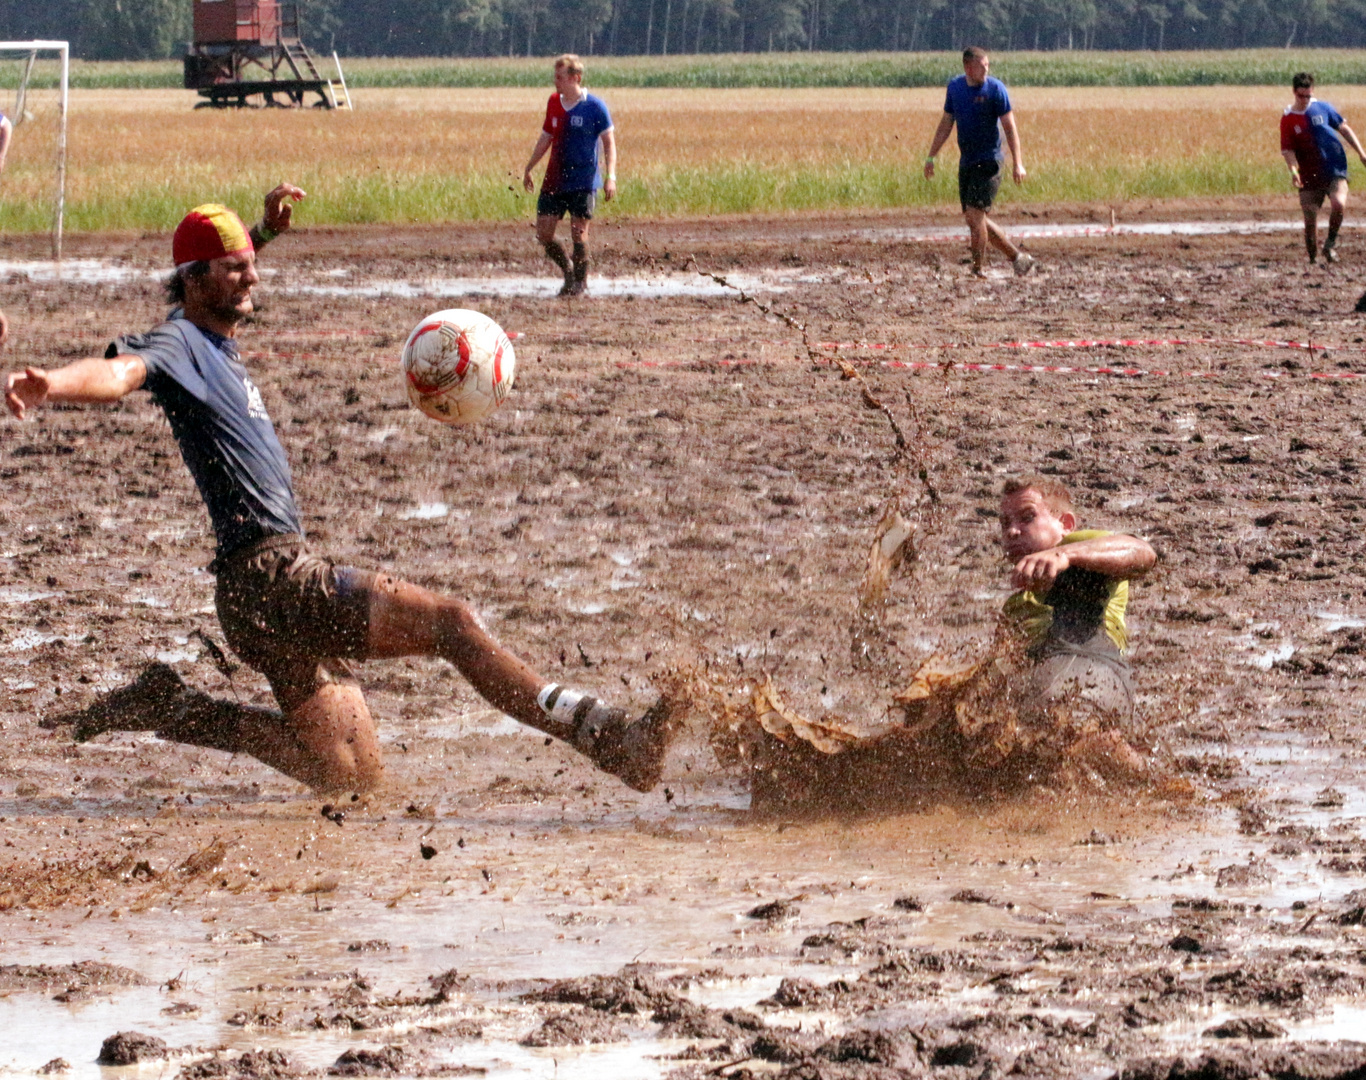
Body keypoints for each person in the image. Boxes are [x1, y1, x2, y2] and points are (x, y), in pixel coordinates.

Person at [4, 185, 675, 796]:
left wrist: (263, 230)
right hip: (275, 577)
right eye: (235, 266)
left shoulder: (212, 328)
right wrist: (51, 385)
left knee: (351, 781)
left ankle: (175, 709)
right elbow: (121, 375)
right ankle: (617, 739)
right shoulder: (179, 342)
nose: (252, 275)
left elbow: (226, 264)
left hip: (252, 594)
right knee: (451, 622)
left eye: (251, 260)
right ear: (194, 278)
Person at [997, 475, 1155, 720]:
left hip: (1092, 668)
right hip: (1036, 685)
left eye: (1028, 517)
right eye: (1004, 523)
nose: (1012, 531)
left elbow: (1141, 552)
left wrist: (1064, 554)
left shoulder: (1081, 549)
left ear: (1066, 524)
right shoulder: (1014, 606)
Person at [924, 47, 1033, 278]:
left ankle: (977, 269)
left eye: (987, 65)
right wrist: (931, 156)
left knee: (975, 217)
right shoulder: (955, 88)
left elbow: (1010, 128)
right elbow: (946, 124)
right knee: (976, 219)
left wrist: (1018, 163)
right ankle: (1018, 258)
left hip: (990, 161)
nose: (986, 70)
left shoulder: (996, 89)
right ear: (968, 67)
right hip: (967, 162)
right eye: (981, 66)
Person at [522, 54, 616, 297]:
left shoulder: (595, 106)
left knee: (578, 232)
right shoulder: (554, 102)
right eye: (555, 77)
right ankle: (568, 269)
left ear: (576, 78)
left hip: (584, 181)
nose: (556, 82)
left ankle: (580, 284)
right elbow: (546, 137)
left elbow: (609, 143)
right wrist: (529, 167)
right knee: (543, 234)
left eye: (560, 77)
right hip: (555, 179)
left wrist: (611, 176)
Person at [1281, 72, 1366, 265]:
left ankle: (1330, 244)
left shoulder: (1323, 108)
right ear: (1294, 92)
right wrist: (1294, 173)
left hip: (1334, 167)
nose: (1304, 100)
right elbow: (1288, 151)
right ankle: (1312, 257)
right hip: (1309, 173)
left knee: (1339, 204)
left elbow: (1344, 128)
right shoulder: (1288, 119)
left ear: (1312, 92)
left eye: (1308, 96)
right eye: (1300, 96)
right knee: (1310, 218)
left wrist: (1362, 153)